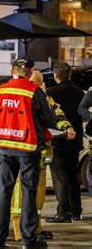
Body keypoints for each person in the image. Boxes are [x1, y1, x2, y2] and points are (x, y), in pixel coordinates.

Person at [0, 57, 55, 248]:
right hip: (27, 149)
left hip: (5, 148)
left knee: (3, 192)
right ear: (31, 71)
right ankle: (28, 239)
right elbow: (48, 119)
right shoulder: (33, 91)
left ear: (13, 70)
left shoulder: (1, 90)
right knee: (28, 193)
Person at [10, 70, 76, 242]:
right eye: (33, 82)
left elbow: (57, 115)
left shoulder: (45, 98)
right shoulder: (19, 97)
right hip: (22, 151)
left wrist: (66, 127)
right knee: (20, 192)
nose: (35, 86)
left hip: (41, 150)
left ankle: (35, 229)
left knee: (38, 193)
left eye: (38, 83)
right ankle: (19, 230)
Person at [45, 62, 85, 223]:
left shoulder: (50, 93)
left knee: (59, 176)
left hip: (59, 140)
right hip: (75, 140)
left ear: (55, 76)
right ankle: (77, 210)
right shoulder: (80, 93)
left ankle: (64, 211)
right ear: (69, 75)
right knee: (73, 175)